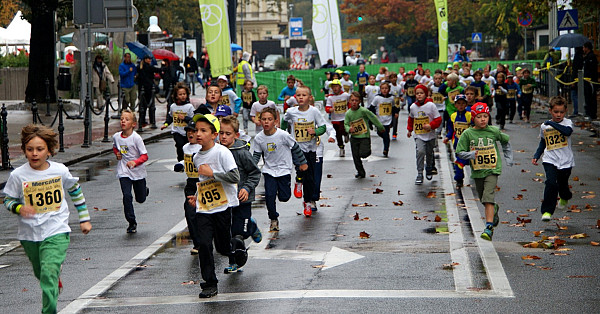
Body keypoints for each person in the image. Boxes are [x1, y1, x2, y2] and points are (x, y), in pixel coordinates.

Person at [3, 124, 92, 314]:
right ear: (24, 151)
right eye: (30, 149)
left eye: (39, 149)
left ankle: (49, 311)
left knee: (48, 271)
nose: (34, 154)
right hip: (29, 235)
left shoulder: (59, 171)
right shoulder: (18, 175)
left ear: (49, 151)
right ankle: (53, 280)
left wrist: (84, 218)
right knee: (41, 272)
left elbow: (75, 190)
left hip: (56, 230)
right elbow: (8, 199)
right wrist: (19, 208)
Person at [186, 114, 239, 298]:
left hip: (223, 207)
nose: (198, 134)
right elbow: (202, 182)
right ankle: (209, 283)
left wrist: (213, 173)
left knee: (223, 248)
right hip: (205, 208)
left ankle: (236, 247)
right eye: (196, 130)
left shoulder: (222, 152)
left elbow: (235, 177)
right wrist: (196, 196)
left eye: (203, 130)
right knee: (204, 244)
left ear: (214, 134)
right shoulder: (196, 157)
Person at [456, 103, 513, 241]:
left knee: (488, 196)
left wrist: (508, 158)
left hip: (492, 169)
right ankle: (494, 210)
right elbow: (459, 152)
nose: (483, 119)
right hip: (477, 171)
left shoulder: (493, 131)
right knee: (484, 198)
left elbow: (505, 141)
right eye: (479, 117)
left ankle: (488, 227)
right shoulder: (468, 133)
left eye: (485, 116)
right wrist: (471, 155)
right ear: (473, 118)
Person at [252, 107, 308, 230]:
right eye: (264, 119)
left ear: (275, 121)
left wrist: (302, 162)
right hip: (269, 170)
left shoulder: (283, 135)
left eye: (269, 119)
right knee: (269, 196)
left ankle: (290, 185)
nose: (266, 122)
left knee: (284, 197)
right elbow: (256, 155)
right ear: (260, 121)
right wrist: (251, 167)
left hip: (284, 170)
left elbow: (295, 147)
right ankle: (273, 218)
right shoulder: (259, 138)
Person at [219, 116, 262, 272]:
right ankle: (233, 261)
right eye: (221, 133)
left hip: (242, 199)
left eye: (228, 133)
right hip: (224, 201)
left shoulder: (242, 153)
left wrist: (246, 188)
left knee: (238, 235)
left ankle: (249, 228)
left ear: (236, 135)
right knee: (228, 234)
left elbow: (255, 173)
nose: (223, 137)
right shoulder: (216, 151)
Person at [282, 86, 327, 216]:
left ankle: (307, 201)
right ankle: (299, 180)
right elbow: (284, 122)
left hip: (311, 149)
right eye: (298, 95)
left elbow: (323, 127)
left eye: (304, 95)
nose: (301, 97)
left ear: (310, 97)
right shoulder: (291, 111)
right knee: (302, 169)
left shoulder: (314, 112)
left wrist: (315, 132)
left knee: (311, 178)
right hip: (297, 148)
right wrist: (284, 134)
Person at [532, 96, 574, 221]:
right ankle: (547, 212)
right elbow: (543, 142)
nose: (559, 115)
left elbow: (567, 132)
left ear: (565, 111)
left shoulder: (567, 123)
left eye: (561, 112)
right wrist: (536, 155)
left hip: (566, 160)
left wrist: (552, 124)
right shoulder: (544, 126)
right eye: (556, 112)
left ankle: (565, 196)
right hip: (550, 159)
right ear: (550, 110)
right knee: (551, 183)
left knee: (562, 184)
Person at [112, 109, 149, 233]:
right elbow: (115, 147)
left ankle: (144, 191)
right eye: (122, 119)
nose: (123, 121)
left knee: (141, 199)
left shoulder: (136, 138)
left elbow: (145, 156)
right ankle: (131, 222)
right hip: (124, 170)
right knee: (127, 196)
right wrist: (117, 154)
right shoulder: (116, 136)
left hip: (138, 171)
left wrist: (135, 162)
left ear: (133, 124)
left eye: (127, 119)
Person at [173, 120, 203, 254]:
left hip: (203, 182)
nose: (190, 134)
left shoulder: (203, 146)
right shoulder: (185, 147)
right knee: (189, 211)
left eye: (193, 131)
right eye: (188, 132)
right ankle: (197, 243)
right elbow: (186, 161)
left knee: (205, 213)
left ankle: (211, 236)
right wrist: (180, 165)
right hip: (191, 183)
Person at [407, 84, 442, 184]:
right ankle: (419, 173)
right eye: (417, 93)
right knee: (420, 152)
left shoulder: (431, 106)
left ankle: (429, 168)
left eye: (421, 93)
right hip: (419, 135)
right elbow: (411, 119)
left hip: (430, 135)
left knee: (429, 153)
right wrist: (409, 130)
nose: (419, 95)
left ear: (426, 94)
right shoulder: (413, 107)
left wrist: (431, 126)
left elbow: (438, 119)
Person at [345, 92, 384, 178]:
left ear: (359, 101)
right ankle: (361, 172)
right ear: (349, 102)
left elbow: (373, 117)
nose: (354, 102)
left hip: (364, 136)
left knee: (363, 153)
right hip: (354, 137)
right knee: (356, 157)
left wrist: (380, 127)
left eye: (356, 100)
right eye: (352, 100)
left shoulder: (363, 111)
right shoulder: (348, 113)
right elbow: (346, 124)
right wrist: (349, 129)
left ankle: (367, 151)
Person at [161, 82, 195, 161]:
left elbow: (193, 120)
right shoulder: (173, 106)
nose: (183, 96)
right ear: (176, 96)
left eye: (184, 94)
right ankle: (180, 160)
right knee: (179, 145)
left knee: (187, 146)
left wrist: (185, 118)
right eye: (180, 94)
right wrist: (165, 124)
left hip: (186, 131)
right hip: (177, 131)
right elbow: (170, 117)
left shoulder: (189, 107)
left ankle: (188, 160)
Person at [443, 95, 472, 188]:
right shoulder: (453, 116)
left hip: (468, 144)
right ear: (455, 105)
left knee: (470, 161)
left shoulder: (469, 115)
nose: (461, 106)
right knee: (459, 162)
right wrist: (447, 137)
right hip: (458, 143)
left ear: (466, 104)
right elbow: (451, 129)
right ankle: (459, 179)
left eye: (463, 103)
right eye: (458, 103)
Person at [370, 82, 397, 157]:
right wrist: (373, 116)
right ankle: (386, 140)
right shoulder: (377, 98)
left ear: (389, 89)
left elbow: (394, 107)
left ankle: (386, 149)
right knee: (379, 133)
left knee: (386, 134)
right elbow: (371, 107)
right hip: (379, 120)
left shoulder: (391, 98)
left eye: (386, 88)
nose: (384, 90)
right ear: (380, 89)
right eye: (382, 88)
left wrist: (395, 113)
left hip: (388, 120)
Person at [325, 79, 351, 157]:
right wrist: (330, 109)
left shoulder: (346, 95)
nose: (335, 88)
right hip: (335, 119)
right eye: (333, 87)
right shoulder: (330, 98)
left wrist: (350, 111)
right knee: (338, 135)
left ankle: (346, 134)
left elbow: (349, 104)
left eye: (336, 86)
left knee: (342, 130)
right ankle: (341, 148)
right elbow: (327, 108)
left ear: (340, 87)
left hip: (344, 118)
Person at [136, 55, 159, 128]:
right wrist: (164, 68)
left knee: (143, 106)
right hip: (148, 89)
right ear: (145, 59)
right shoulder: (147, 67)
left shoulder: (140, 67)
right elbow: (156, 70)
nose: (150, 60)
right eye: (148, 59)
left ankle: (142, 120)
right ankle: (152, 120)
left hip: (141, 89)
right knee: (150, 105)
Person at [582, 42, 598, 119]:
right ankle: (588, 112)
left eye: (584, 47)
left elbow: (591, 69)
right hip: (587, 80)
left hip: (590, 81)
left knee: (591, 97)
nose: (583, 49)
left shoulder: (591, 57)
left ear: (587, 48)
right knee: (587, 97)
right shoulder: (587, 57)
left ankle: (592, 114)